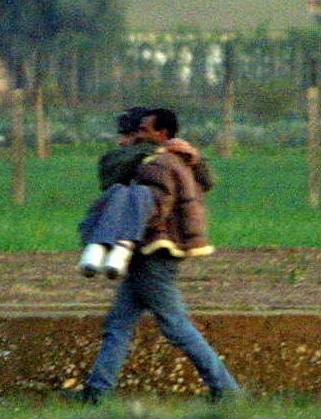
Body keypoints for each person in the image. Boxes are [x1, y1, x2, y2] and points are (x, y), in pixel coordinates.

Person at [75, 106, 243, 403]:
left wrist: (192, 156)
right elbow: (112, 168)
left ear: (161, 134)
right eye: (131, 133)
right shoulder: (154, 158)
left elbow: (159, 201)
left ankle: (226, 390)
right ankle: (97, 392)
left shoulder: (161, 162)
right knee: (118, 324)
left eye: (139, 132)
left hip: (155, 253)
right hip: (146, 252)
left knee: (175, 325)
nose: (130, 138)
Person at [75, 107, 159, 279]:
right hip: (137, 245)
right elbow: (109, 177)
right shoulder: (120, 158)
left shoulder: (171, 156)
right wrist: (143, 152)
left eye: (129, 135)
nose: (121, 141)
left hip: (151, 245)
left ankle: (99, 250)